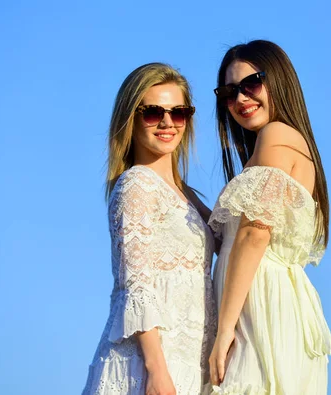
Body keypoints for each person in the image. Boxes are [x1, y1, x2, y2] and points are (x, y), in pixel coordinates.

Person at [207, 40, 331, 394]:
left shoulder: (276, 135)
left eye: (251, 84)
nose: (240, 99)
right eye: (229, 92)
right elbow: (232, 236)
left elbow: (254, 234)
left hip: (259, 308)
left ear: (278, 80)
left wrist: (224, 330)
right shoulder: (275, 145)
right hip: (264, 303)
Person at [82, 63, 218, 395]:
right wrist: (156, 371)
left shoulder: (184, 194)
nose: (168, 122)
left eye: (179, 112)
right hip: (148, 366)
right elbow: (136, 287)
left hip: (189, 360)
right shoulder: (136, 185)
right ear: (131, 117)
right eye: (153, 112)